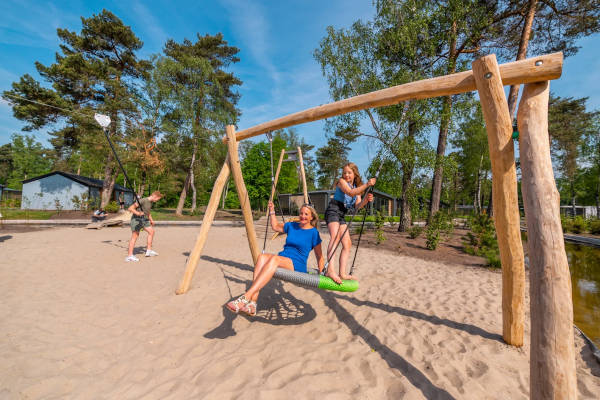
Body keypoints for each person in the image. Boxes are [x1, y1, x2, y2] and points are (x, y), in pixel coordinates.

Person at [226, 201, 324, 317]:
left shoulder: (314, 233)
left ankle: (246, 297)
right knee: (261, 257)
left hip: (297, 264)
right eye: (301, 213)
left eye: (306, 214)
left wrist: (321, 272)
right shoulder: (292, 226)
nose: (303, 216)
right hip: (283, 258)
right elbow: (275, 226)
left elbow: (319, 256)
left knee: (274, 259)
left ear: (311, 216)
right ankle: (252, 303)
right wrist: (272, 210)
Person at [324, 162, 375, 284]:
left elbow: (357, 206)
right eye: (344, 172)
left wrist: (366, 201)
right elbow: (350, 192)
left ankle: (342, 273)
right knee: (335, 237)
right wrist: (367, 184)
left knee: (347, 244)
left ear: (355, 174)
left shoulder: (357, 188)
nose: (346, 175)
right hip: (333, 210)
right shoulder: (341, 182)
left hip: (342, 213)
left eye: (349, 173)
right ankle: (330, 270)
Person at [125, 191, 163, 262]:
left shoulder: (150, 202)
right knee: (135, 237)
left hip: (144, 220)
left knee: (151, 232)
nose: (157, 201)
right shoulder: (143, 200)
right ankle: (129, 256)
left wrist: (151, 220)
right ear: (154, 196)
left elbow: (148, 212)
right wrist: (138, 213)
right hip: (136, 220)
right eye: (158, 199)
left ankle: (148, 251)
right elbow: (130, 208)